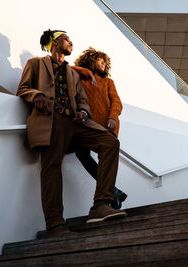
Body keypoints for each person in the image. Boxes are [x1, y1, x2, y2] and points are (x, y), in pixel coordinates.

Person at [16, 29, 127, 237]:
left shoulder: (73, 73)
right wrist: (37, 94)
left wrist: (84, 111)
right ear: (54, 43)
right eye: (66, 38)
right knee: (51, 167)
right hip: (51, 120)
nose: (70, 41)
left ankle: (100, 205)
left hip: (76, 123)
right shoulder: (36, 64)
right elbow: (23, 89)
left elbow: (82, 99)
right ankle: (55, 225)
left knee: (110, 142)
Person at [70, 47, 127, 209]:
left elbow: (117, 102)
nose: (102, 64)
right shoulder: (80, 77)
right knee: (82, 154)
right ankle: (112, 192)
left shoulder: (108, 82)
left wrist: (112, 117)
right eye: (99, 61)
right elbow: (66, 68)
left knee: (105, 156)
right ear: (90, 60)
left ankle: (107, 196)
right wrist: (85, 72)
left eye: (104, 62)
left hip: (105, 125)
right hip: (86, 125)